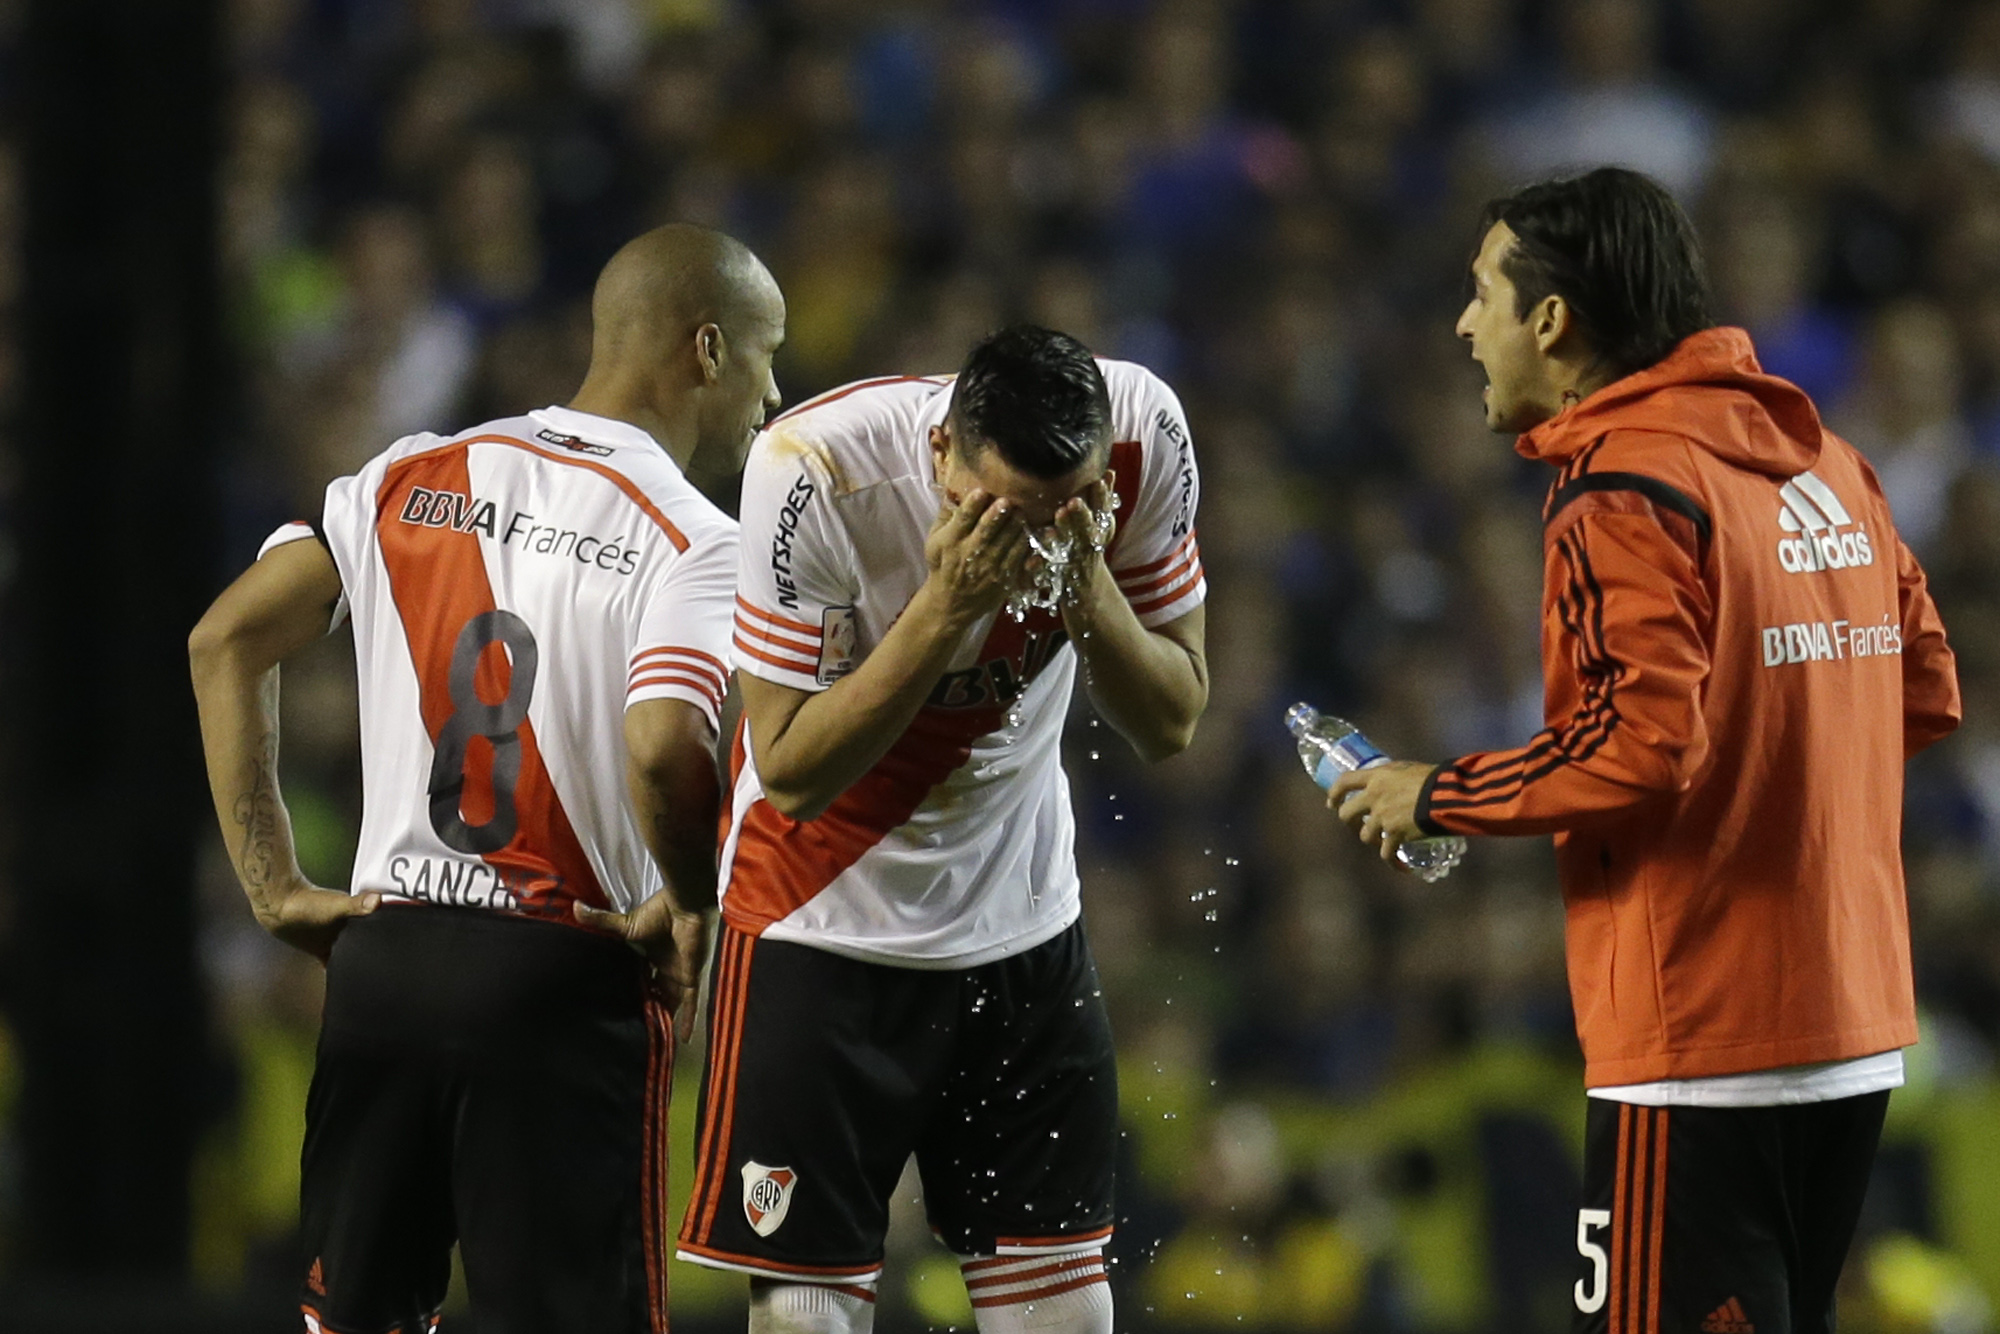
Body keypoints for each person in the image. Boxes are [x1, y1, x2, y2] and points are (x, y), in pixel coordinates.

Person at [1329, 167, 1961, 1334]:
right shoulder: (1825, 463)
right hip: (1853, 1022)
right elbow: (1919, 689)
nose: (1464, 326)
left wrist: (1439, 793)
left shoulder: (1617, 487)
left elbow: (1637, 748)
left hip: (1698, 1032)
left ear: (1551, 320)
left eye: (1480, 295)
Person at [189, 223, 786, 1334]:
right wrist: (692, 904)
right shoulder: (697, 542)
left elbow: (222, 640)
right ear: (707, 349)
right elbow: (662, 744)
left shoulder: (407, 474)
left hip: (385, 957)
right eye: (764, 353)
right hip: (562, 974)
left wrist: (274, 887)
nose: (772, 390)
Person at [675, 326, 1207, 1334]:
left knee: (1063, 1315)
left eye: (1068, 507)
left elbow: (1172, 717)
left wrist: (1085, 581)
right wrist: (946, 606)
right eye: (1008, 510)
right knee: (805, 1314)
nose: (1039, 534)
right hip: (817, 921)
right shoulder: (814, 468)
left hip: (1020, 925)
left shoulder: (1141, 431)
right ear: (939, 458)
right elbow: (788, 771)